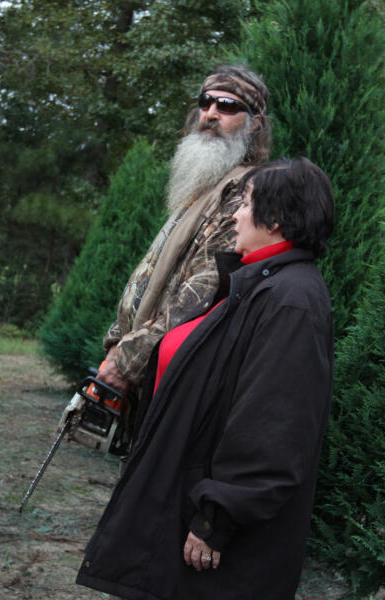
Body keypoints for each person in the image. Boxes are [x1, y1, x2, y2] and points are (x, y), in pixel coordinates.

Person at [76, 157, 335, 599]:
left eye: (247, 204)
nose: (235, 214)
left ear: (276, 219)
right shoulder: (257, 283)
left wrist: (218, 516)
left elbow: (274, 425)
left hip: (217, 530)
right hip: (185, 501)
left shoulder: (291, 300)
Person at [96, 65, 272, 421]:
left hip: (179, 381)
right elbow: (150, 273)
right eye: (206, 102)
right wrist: (117, 341)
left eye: (227, 106)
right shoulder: (202, 183)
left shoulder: (244, 195)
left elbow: (201, 294)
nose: (210, 114)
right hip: (142, 370)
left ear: (254, 124)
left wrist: (129, 360)